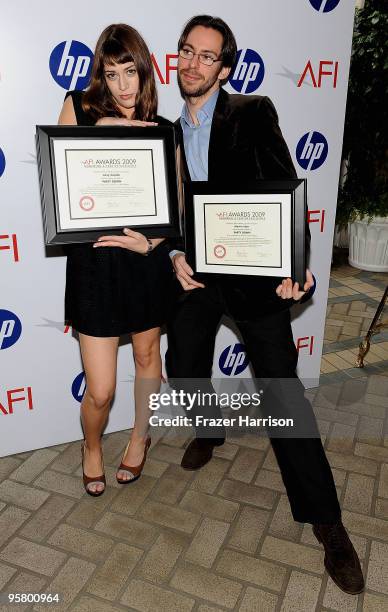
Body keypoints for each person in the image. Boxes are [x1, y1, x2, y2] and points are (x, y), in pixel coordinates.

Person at [166, 15, 364, 595]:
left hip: (253, 277)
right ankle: (208, 429)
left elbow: (286, 182)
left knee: (283, 395)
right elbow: (168, 211)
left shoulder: (252, 112)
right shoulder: (167, 132)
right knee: (185, 365)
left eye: (207, 56)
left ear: (224, 68)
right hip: (198, 276)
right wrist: (176, 251)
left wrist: (293, 262)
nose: (193, 63)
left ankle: (328, 524)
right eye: (186, 51)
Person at [58, 23, 174, 496]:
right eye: (112, 75)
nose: (124, 86)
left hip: (143, 263)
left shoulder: (164, 131)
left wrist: (152, 245)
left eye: (131, 72)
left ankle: (139, 438)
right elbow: (59, 174)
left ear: (145, 73)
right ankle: (91, 446)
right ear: (100, 79)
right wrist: (102, 129)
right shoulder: (79, 108)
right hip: (95, 264)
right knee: (100, 388)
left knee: (149, 356)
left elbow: (177, 208)